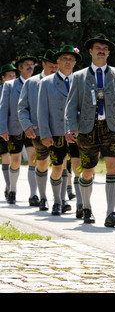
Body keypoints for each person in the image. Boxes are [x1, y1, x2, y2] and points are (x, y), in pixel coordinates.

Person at [65, 34, 115, 227]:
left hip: (112, 126)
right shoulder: (79, 76)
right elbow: (71, 105)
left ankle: (111, 213)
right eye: (98, 47)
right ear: (90, 51)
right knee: (87, 170)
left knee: (113, 168)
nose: (101, 51)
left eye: (105, 48)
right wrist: (70, 128)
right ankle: (87, 208)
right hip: (87, 128)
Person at [37, 45, 81, 216]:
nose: (68, 62)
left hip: (77, 131)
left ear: (75, 62)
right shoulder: (47, 82)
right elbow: (42, 110)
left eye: (71, 59)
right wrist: (45, 133)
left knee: (78, 167)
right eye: (64, 59)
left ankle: (81, 204)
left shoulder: (81, 80)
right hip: (56, 132)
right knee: (57, 167)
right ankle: (57, 201)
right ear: (58, 61)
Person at [18, 49, 59, 211]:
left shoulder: (64, 81)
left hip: (59, 131)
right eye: (51, 67)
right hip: (38, 131)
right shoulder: (31, 83)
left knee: (60, 165)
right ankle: (42, 197)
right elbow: (22, 108)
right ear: (43, 64)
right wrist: (26, 125)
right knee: (41, 163)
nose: (54, 70)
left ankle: (59, 200)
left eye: (57, 67)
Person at [0, 55, 39, 206]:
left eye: (32, 64)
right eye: (27, 64)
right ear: (20, 68)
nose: (30, 66)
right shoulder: (10, 85)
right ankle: (12, 190)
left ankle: (33, 194)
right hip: (14, 128)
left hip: (32, 128)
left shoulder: (37, 83)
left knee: (33, 158)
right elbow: (3, 109)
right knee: (15, 161)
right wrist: (3, 129)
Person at [0, 63, 19, 199]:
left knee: (12, 158)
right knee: (6, 156)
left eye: (14, 76)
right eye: (9, 76)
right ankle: (9, 186)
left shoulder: (19, 89)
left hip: (13, 129)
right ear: (3, 78)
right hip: (1, 128)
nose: (12, 78)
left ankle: (9, 187)